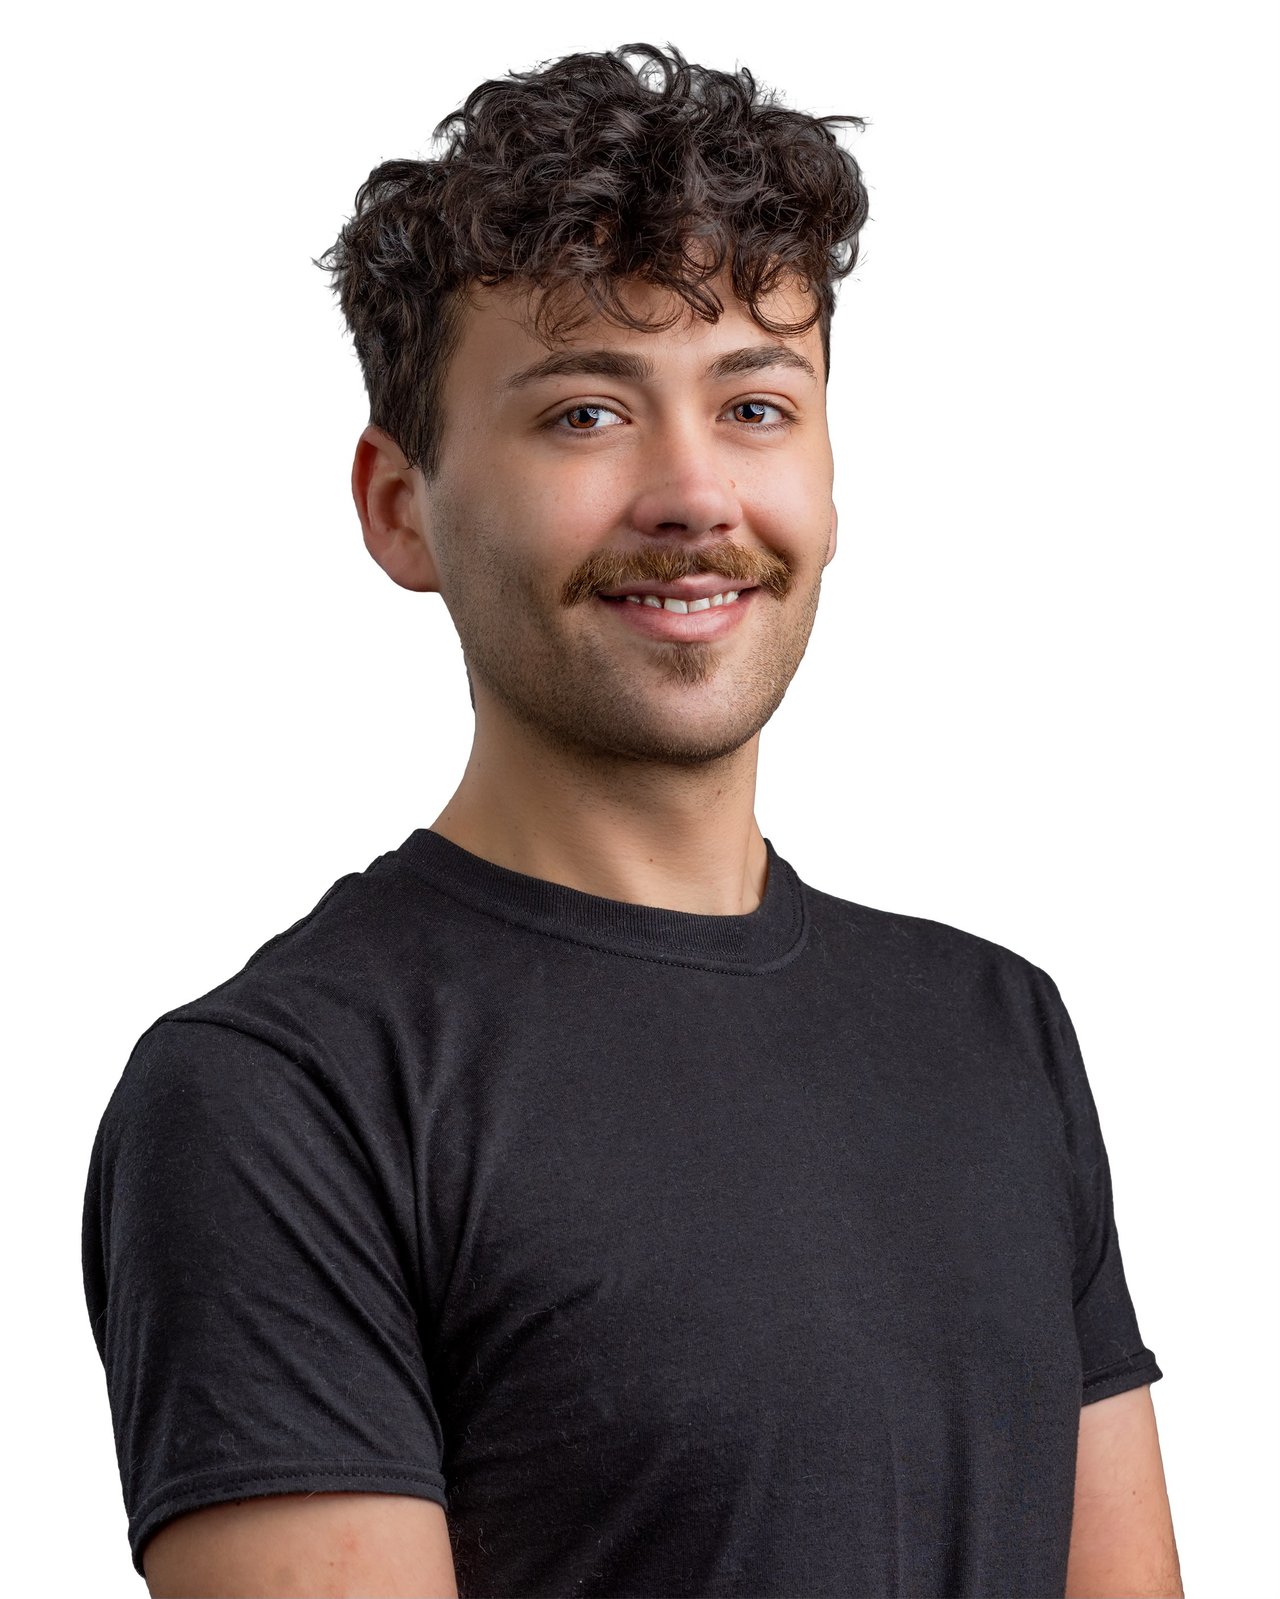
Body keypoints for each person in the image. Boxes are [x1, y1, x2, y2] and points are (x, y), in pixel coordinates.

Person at [82, 42, 1183, 1599]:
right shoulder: (281, 1098)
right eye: (588, 413)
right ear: (400, 508)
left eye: (755, 404)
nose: (693, 494)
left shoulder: (998, 1031)